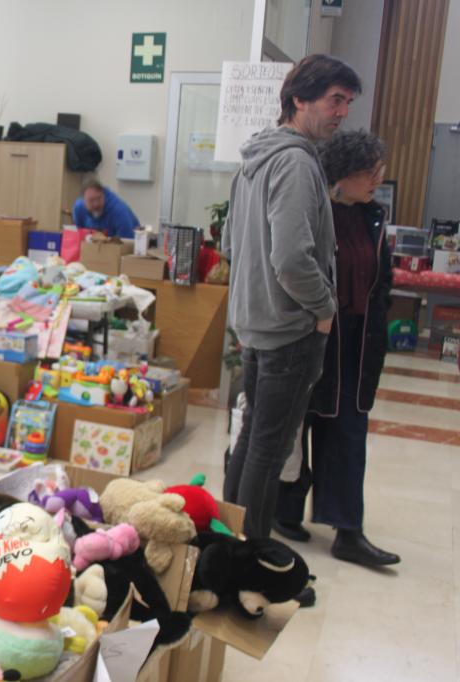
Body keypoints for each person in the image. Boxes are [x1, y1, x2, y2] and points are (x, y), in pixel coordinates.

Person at [222, 54, 361, 540]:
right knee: (270, 447)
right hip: (288, 328)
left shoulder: (255, 158)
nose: (342, 112)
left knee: (252, 439)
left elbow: (228, 245)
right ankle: (253, 556)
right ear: (299, 99)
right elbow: (292, 259)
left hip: (257, 323)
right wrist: (324, 309)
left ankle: (232, 542)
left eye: (347, 102)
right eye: (334, 100)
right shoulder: (297, 162)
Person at [273, 130, 400, 567]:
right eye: (369, 171)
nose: (377, 179)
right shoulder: (315, 210)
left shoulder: (374, 218)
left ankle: (349, 531)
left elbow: (382, 281)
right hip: (316, 336)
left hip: (358, 342)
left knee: (349, 430)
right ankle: (283, 512)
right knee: (297, 427)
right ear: (342, 175)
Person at [71, 178, 139, 239]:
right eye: (91, 200)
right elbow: (81, 238)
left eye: (99, 198)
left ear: (103, 194)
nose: (96, 204)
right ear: (84, 200)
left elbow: (127, 242)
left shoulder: (118, 211)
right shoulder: (79, 209)